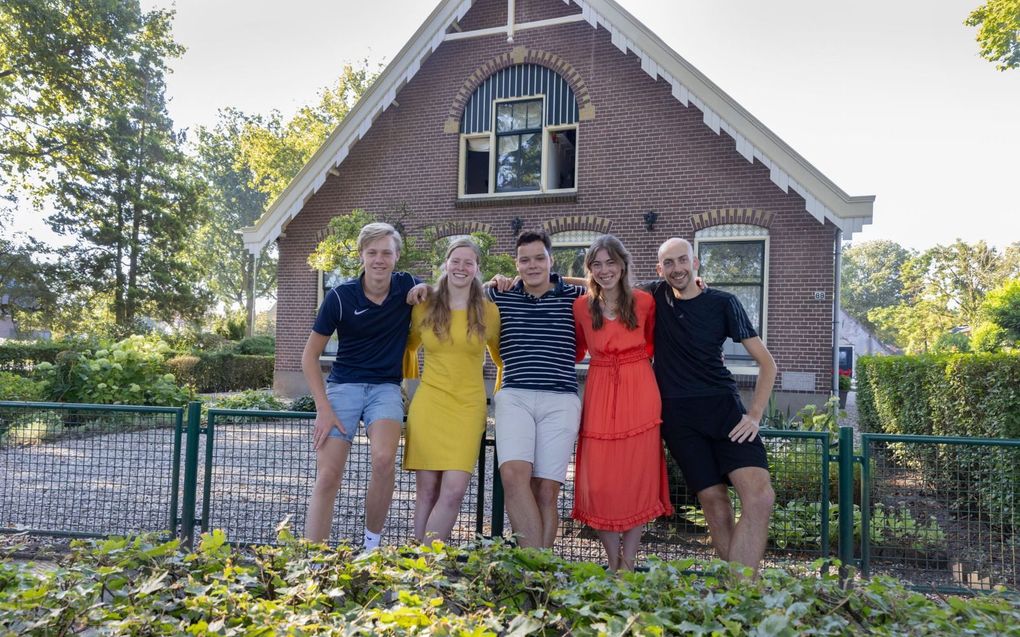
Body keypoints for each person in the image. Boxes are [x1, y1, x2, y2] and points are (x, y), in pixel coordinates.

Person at [650, 237, 777, 574]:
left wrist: (754, 415)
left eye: (682, 260)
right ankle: (740, 592)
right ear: (659, 268)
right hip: (679, 418)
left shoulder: (724, 303)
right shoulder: (654, 296)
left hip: (725, 412)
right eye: (669, 263)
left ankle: (742, 587)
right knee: (713, 501)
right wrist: (550, 278)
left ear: (695, 264)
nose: (676, 268)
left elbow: (768, 364)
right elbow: (606, 279)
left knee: (760, 497)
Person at [302, 222, 420, 550]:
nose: (379, 259)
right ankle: (312, 558)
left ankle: (370, 547)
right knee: (328, 475)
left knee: (384, 460)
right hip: (344, 387)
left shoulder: (408, 286)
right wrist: (323, 409)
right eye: (372, 252)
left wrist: (426, 292)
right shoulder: (340, 297)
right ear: (361, 256)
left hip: (385, 388)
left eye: (386, 252)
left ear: (397, 257)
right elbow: (309, 358)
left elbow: (449, 290)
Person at [571, 235, 673, 570]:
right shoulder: (581, 308)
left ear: (623, 264)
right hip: (600, 391)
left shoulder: (644, 302)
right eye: (596, 264)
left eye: (610, 262)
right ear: (590, 270)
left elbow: (652, 341)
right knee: (599, 480)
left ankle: (628, 564)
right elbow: (578, 350)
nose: (604, 270)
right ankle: (611, 560)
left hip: (639, 390)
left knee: (636, 477)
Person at [487, 230, 584, 549]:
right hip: (515, 395)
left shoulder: (573, 295)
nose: (532, 266)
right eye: (524, 260)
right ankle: (533, 568)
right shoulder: (501, 294)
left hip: (561, 399)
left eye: (539, 258)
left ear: (550, 260)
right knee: (514, 477)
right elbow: (457, 285)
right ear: (516, 264)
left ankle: (538, 573)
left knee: (545, 490)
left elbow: (610, 282)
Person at [402, 238, 502, 542]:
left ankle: (428, 563)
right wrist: (402, 389)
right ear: (445, 264)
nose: (461, 267)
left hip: (468, 408)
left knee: (455, 491)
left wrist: (502, 397)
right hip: (429, 405)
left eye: (468, 262)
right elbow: (406, 348)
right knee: (426, 491)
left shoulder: (488, 311)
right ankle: (415, 571)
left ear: (477, 268)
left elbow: (501, 358)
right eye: (455, 260)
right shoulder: (424, 306)